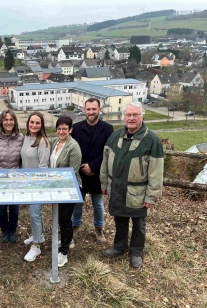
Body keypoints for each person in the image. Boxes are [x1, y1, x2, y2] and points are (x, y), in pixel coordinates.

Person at [100, 102, 164, 268]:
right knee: (119, 218)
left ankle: (136, 252)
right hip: (117, 187)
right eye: (128, 115)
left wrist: (152, 195)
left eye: (135, 115)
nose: (132, 118)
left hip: (138, 190)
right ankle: (119, 246)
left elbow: (156, 172)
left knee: (138, 223)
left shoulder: (151, 140)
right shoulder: (116, 136)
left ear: (142, 116)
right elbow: (105, 161)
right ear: (124, 117)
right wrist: (104, 183)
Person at [71, 98, 114, 244]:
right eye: (88, 109)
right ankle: (75, 226)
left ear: (99, 110)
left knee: (98, 203)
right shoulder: (76, 128)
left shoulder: (108, 129)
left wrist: (93, 166)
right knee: (78, 202)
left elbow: (107, 152)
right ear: (84, 110)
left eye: (94, 109)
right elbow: (73, 150)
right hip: (81, 172)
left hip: (98, 173)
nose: (91, 112)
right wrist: (84, 165)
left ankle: (99, 228)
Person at [0, 109, 24, 243]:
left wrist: (20, 174)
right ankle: (4, 230)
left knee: (14, 208)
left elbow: (22, 158)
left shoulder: (21, 138)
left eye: (11, 120)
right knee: (2, 209)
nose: (8, 122)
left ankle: (12, 230)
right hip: (0, 179)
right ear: (1, 122)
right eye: (6, 120)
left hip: (15, 179)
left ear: (15, 121)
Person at [50, 116, 82, 267]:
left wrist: (60, 187)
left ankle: (64, 252)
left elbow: (73, 173)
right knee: (60, 217)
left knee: (64, 218)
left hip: (69, 188)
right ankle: (66, 241)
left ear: (70, 130)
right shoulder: (55, 143)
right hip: (56, 187)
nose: (61, 131)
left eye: (64, 129)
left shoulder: (73, 147)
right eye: (59, 128)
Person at [21, 111, 50, 262]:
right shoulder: (26, 138)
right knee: (34, 213)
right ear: (28, 123)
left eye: (37, 123)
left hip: (37, 185)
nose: (34, 125)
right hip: (26, 183)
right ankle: (39, 235)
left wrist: (36, 185)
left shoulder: (43, 142)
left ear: (42, 125)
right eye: (32, 122)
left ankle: (36, 246)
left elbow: (43, 167)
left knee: (34, 213)